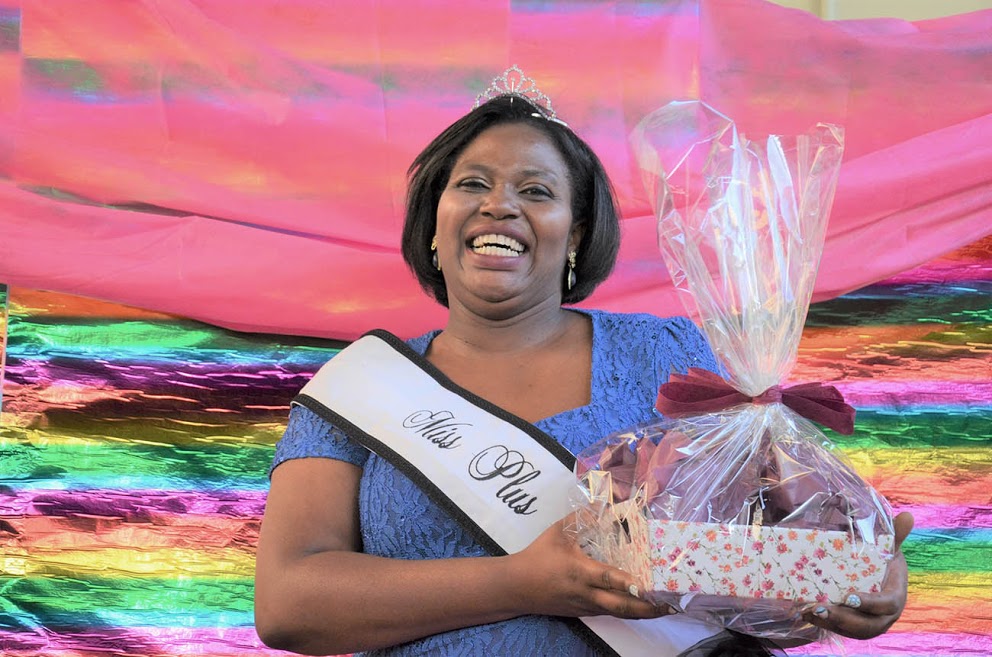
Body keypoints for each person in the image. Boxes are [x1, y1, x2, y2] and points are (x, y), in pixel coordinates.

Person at [253, 67, 912, 657]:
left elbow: (767, 536)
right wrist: (522, 581)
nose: (499, 204)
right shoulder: (361, 385)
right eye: (473, 183)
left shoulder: (668, 352)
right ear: (433, 222)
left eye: (536, 191)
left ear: (574, 233)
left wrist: (847, 569)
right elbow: (287, 605)